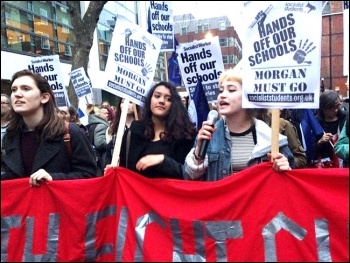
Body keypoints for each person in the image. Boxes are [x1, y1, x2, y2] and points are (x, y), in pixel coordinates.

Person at [184, 62, 294, 182]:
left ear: (248, 96)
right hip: (223, 200)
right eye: (221, 91)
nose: (222, 95)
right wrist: (199, 152)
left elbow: (288, 180)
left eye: (231, 90)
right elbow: (189, 178)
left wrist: (284, 167)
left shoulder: (270, 139)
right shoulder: (209, 136)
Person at [1, 69, 98, 185]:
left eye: (26, 89)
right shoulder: (10, 136)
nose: (17, 94)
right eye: (14, 90)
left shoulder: (70, 133)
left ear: (44, 97)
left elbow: (89, 176)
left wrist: (53, 179)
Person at [118, 81, 197, 179]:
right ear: (150, 100)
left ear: (174, 105)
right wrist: (115, 171)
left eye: (168, 99)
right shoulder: (133, 132)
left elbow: (188, 174)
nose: (161, 101)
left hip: (168, 193)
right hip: (136, 194)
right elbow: (125, 171)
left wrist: (163, 160)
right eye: (157, 96)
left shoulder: (184, 136)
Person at [314, 90, 348, 167]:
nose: (335, 110)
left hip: (345, 164)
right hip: (324, 165)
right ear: (323, 108)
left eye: (337, 107)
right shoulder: (315, 123)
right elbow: (309, 150)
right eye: (331, 109)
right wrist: (320, 142)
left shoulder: (346, 118)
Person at [105, 98, 140, 165]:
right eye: (123, 102)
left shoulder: (142, 126)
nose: (126, 105)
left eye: (130, 102)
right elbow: (109, 151)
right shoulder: (112, 128)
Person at [87, 104, 110, 174]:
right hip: (101, 159)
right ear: (98, 115)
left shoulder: (92, 125)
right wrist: (110, 143)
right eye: (105, 113)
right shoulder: (102, 126)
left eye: (108, 113)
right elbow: (99, 143)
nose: (107, 115)